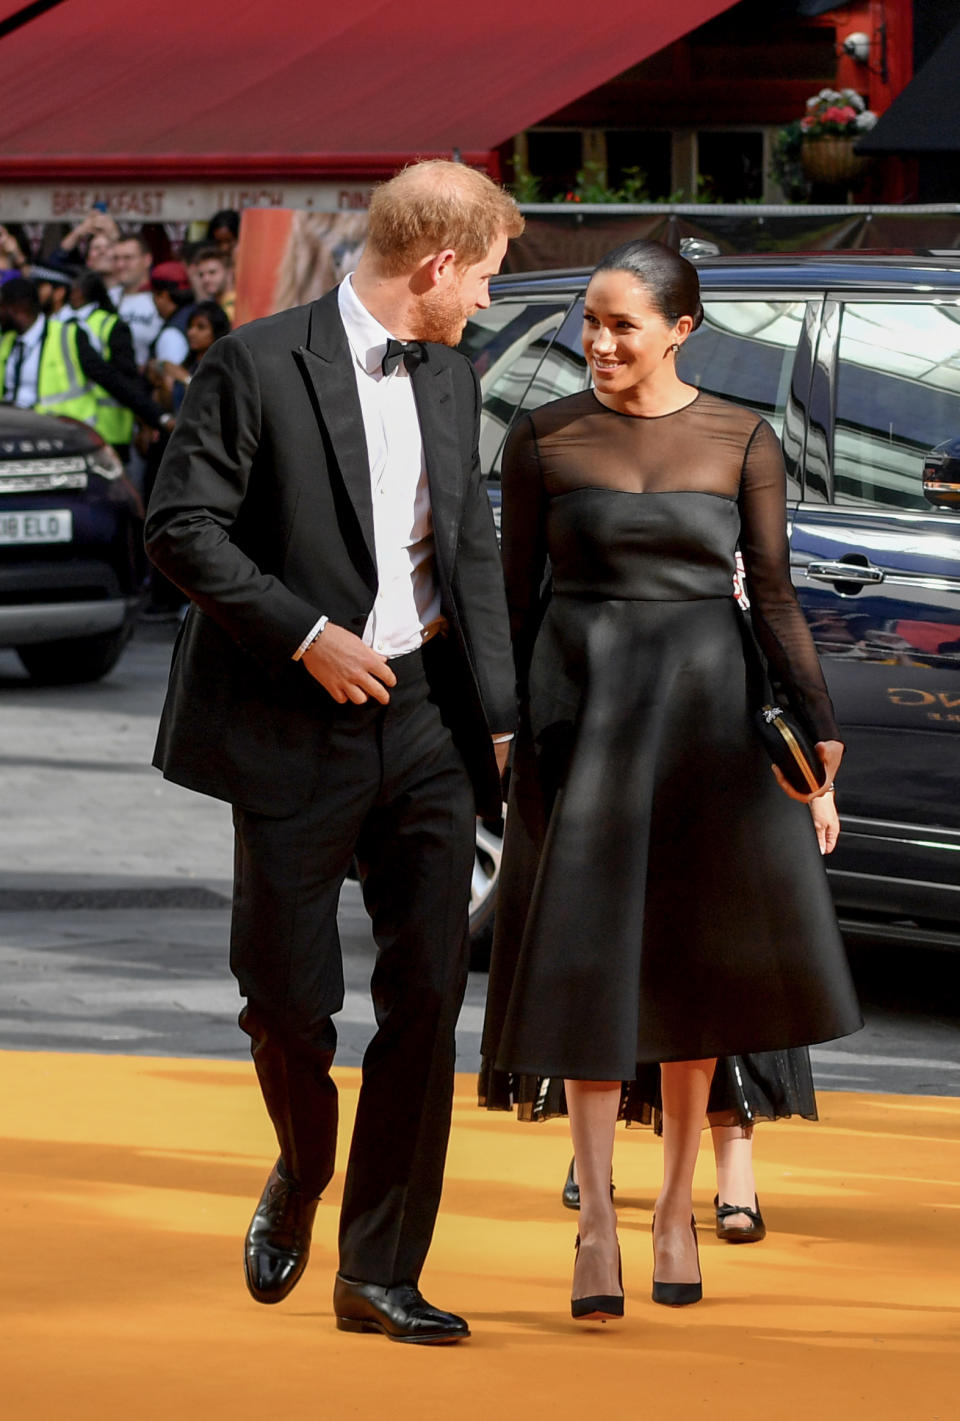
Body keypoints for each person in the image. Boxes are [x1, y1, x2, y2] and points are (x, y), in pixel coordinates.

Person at [145, 160, 524, 1344]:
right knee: (289, 1005)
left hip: (426, 718)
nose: (487, 308)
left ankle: (378, 1268)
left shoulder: (454, 376)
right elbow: (180, 527)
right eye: (487, 282)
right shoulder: (254, 363)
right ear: (439, 267)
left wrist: (502, 723)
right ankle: (302, 1163)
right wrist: (306, 636)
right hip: (292, 719)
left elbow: (465, 554)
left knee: (427, 993)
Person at [479, 238, 862, 1320]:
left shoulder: (743, 436)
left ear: (679, 331)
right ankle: (597, 1216)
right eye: (588, 324)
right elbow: (511, 605)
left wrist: (818, 732)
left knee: (695, 976)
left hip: (711, 723)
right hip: (582, 717)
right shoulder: (541, 436)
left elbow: (776, 597)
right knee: (591, 965)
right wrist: (500, 735)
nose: (598, 344)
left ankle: (677, 1205)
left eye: (621, 325)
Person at [0, 277, 171, 444]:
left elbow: (112, 379)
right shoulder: (7, 342)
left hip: (62, 437)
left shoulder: (66, 335)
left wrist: (159, 417)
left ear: (17, 307)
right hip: (15, 435)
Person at [156, 300, 231, 412]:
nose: (191, 332)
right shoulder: (188, 364)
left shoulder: (223, 368)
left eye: (201, 327)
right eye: (190, 326)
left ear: (217, 331)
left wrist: (186, 379)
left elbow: (209, 406)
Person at [109, 234, 161, 368]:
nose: (120, 265)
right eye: (116, 258)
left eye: (128, 258)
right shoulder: (107, 297)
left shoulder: (160, 299)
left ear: (147, 259)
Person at [190, 245, 235, 324]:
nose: (205, 279)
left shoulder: (236, 306)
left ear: (229, 272)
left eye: (212, 272)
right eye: (201, 275)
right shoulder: (215, 306)